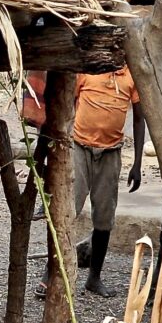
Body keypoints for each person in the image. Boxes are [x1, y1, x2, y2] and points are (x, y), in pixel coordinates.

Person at [67, 67, 145, 296]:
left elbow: (139, 120)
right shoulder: (87, 70)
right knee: (68, 209)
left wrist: (138, 163)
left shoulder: (131, 76)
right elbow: (69, 102)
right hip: (79, 147)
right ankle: (51, 272)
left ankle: (94, 277)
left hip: (111, 153)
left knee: (104, 217)